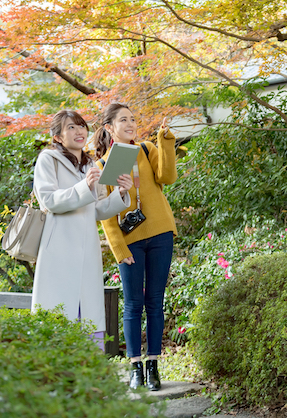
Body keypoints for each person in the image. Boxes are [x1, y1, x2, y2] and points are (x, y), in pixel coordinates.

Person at [92, 102, 178, 391]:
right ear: (109, 128)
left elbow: (167, 177)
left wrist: (164, 142)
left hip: (161, 234)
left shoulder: (145, 149)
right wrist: (119, 249)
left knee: (155, 301)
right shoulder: (103, 165)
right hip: (129, 242)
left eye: (133, 119)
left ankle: (153, 366)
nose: (130, 124)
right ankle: (134, 368)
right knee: (132, 304)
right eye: (123, 120)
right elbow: (105, 213)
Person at [32, 110, 133, 351]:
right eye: (70, 128)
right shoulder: (48, 159)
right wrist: (83, 186)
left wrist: (120, 195)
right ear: (57, 137)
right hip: (59, 248)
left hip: (87, 248)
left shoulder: (89, 164)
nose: (79, 132)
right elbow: (48, 200)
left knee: (88, 314)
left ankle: (90, 379)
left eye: (81, 127)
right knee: (58, 312)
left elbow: (96, 210)